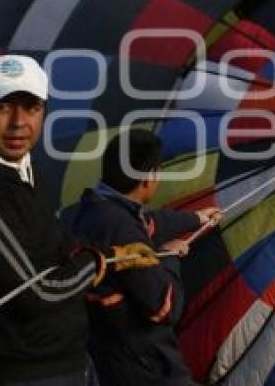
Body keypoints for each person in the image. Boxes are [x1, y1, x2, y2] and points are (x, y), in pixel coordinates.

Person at [0, 55, 158, 385]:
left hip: (69, 363)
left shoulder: (20, 167)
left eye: (31, 108)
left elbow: (53, 249)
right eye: (3, 107)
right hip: (21, 376)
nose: (19, 122)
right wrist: (104, 261)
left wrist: (95, 273)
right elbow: (37, 291)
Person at [63, 129, 221, 386]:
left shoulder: (85, 211)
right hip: (145, 369)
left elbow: (149, 222)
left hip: (103, 360)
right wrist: (169, 257)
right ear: (149, 178)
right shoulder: (122, 228)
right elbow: (164, 307)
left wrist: (195, 218)